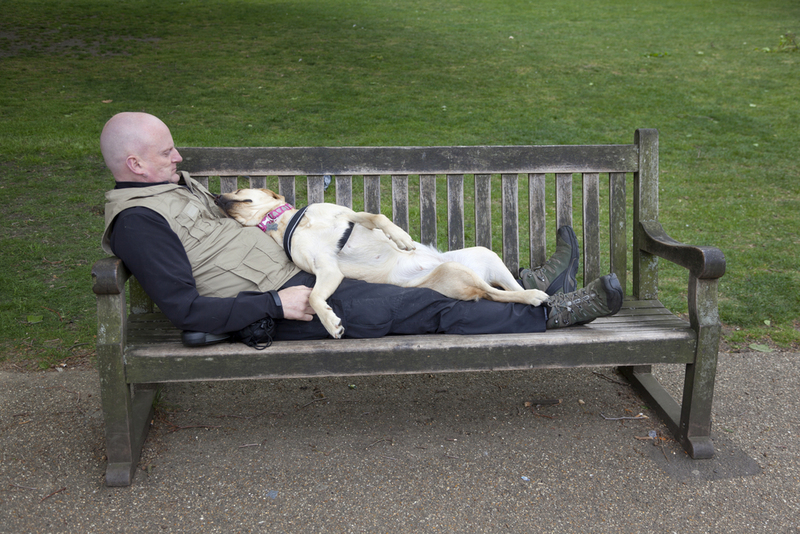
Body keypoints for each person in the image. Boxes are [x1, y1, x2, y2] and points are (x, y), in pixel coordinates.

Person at [99, 112, 623, 344]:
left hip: (307, 269)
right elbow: (184, 309)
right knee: (426, 304)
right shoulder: (140, 222)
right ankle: (553, 312)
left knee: (420, 263)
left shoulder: (168, 188)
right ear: (135, 164)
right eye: (166, 151)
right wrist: (273, 306)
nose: (179, 155)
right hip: (290, 302)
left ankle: (526, 280)